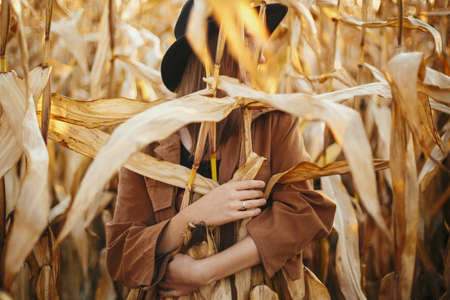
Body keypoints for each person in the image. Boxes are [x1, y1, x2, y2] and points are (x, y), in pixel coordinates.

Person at [106, 1, 336, 299]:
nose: (263, 57)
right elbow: (122, 255)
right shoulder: (146, 141)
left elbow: (305, 213)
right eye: (251, 42)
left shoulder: (275, 122)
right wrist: (191, 218)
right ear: (214, 50)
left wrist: (206, 271)